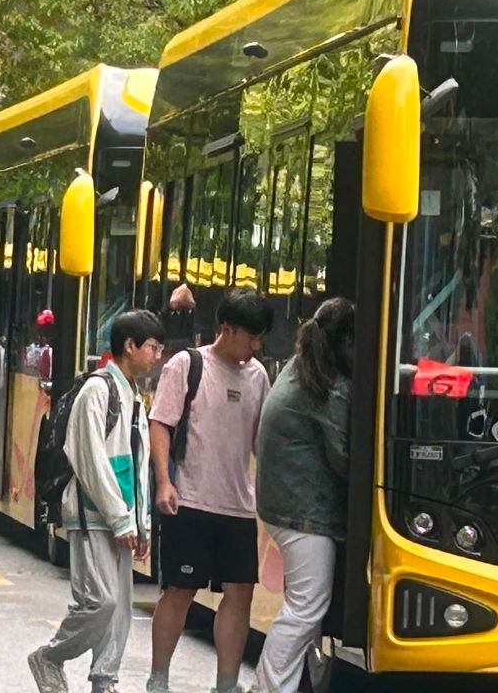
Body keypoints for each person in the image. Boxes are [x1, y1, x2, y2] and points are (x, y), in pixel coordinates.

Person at [147, 289, 274, 693]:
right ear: (227, 328)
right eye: (251, 337)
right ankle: (158, 679)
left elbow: (260, 442)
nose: (255, 347)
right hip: (190, 500)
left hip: (239, 506)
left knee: (240, 595)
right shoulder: (188, 365)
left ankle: (226, 685)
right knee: (179, 591)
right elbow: (160, 422)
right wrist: (165, 482)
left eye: (260, 339)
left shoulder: (258, 376)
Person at [27, 310, 157, 693]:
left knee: (119, 609)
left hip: (121, 518)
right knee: (100, 602)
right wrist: (121, 518)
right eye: (153, 347)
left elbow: (140, 465)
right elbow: (90, 460)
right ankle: (50, 657)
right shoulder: (97, 390)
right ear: (129, 346)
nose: (157, 356)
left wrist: (141, 522)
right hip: (91, 514)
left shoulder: (134, 396)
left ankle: (104, 679)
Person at [249, 297, 354, 693]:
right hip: (303, 511)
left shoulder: (305, 367)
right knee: (306, 608)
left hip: (286, 504)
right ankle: (269, 687)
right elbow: (345, 460)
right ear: (347, 342)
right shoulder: (328, 388)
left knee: (304, 606)